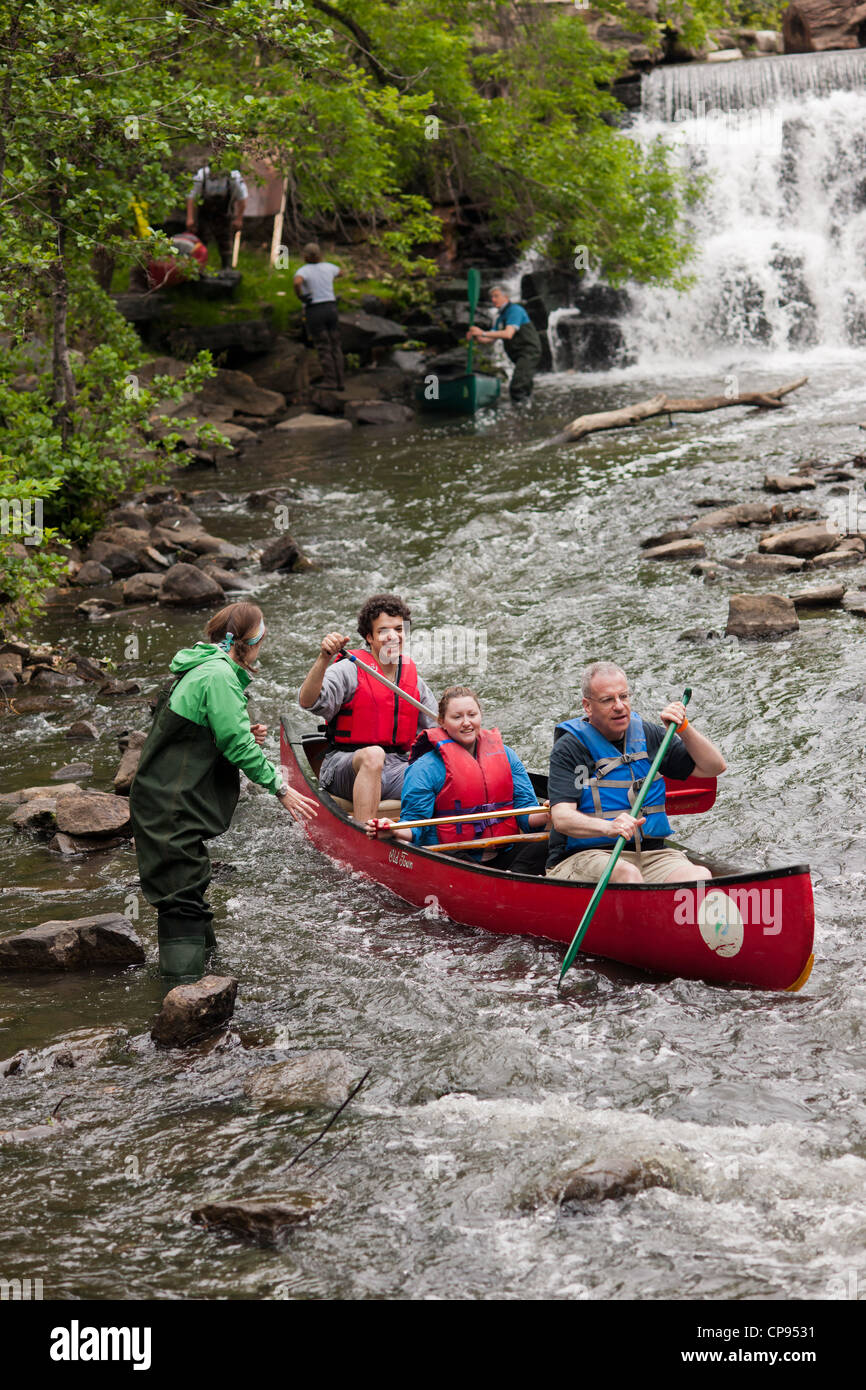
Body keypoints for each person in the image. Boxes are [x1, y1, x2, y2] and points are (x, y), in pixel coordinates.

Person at [129, 603, 317, 979]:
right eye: (262, 635)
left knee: (188, 891)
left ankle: (204, 981)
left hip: (165, 798)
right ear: (248, 642)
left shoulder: (205, 664)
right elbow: (237, 745)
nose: (264, 642)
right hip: (170, 804)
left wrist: (243, 732)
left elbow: (207, 732)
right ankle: (180, 999)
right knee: (181, 897)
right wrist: (280, 787)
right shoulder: (219, 676)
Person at [546, 662, 727, 884]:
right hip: (586, 856)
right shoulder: (570, 747)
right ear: (587, 706)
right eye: (607, 700)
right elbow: (562, 818)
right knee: (627, 874)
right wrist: (609, 827)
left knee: (699, 876)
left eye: (623, 696)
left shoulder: (648, 736)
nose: (619, 706)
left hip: (650, 855)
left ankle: (665, 916)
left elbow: (713, 767)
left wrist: (683, 728)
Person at [366, 686, 549, 871]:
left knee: (551, 845)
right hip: (452, 857)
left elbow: (525, 813)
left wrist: (549, 812)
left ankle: (514, 881)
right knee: (459, 863)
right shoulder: (424, 768)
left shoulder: (506, 756)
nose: (467, 723)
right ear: (442, 722)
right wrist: (393, 828)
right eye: (457, 717)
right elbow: (415, 825)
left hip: (503, 852)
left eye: (472, 714)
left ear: (480, 715)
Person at [298, 595, 436, 823]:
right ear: (370, 637)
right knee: (374, 755)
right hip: (344, 766)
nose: (393, 636)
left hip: (394, 767)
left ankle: (427, 836)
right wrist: (324, 658)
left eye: (399, 629)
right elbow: (308, 701)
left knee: (441, 772)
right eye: (383, 631)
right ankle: (365, 837)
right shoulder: (349, 669)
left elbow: (436, 731)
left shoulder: (413, 680)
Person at [467, 285, 543, 403]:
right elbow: (489, 338)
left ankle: (520, 414)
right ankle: (529, 410)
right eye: (492, 297)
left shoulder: (515, 310)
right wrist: (476, 337)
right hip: (518, 355)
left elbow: (508, 334)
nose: (493, 299)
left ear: (506, 297)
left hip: (528, 352)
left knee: (517, 387)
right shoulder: (501, 317)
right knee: (525, 384)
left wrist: (482, 332)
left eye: (496, 296)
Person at [293, 243, 345, 390]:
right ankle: (341, 381)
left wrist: (301, 296)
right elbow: (341, 272)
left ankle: (330, 380)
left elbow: (297, 282)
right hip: (331, 308)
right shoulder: (329, 267)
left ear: (305, 256)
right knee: (335, 345)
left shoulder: (304, 270)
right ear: (320, 255)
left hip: (315, 310)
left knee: (323, 346)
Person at [186, 164, 248, 270]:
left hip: (224, 214)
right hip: (205, 214)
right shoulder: (202, 175)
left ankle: (227, 268)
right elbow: (191, 197)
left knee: (225, 241)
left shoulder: (233, 176)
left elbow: (242, 199)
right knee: (201, 241)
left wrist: (239, 219)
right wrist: (190, 218)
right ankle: (198, 268)